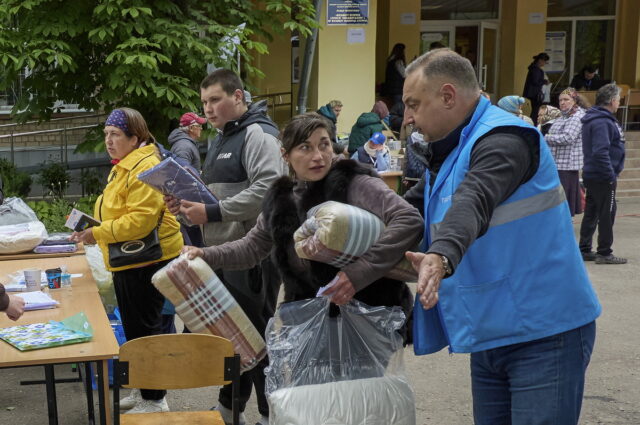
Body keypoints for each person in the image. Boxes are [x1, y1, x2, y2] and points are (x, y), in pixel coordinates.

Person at [402, 49, 600, 424]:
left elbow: (474, 198)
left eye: (414, 104)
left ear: (448, 96)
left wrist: (441, 255)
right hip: (494, 330)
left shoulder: (505, 138)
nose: (408, 117)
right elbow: (404, 214)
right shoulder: (451, 151)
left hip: (545, 332)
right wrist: (340, 229)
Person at [182, 111, 422, 341]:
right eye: (305, 147)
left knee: (356, 385)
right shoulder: (281, 198)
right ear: (285, 155)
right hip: (305, 319)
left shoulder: (354, 182)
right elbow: (252, 247)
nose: (318, 156)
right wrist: (203, 254)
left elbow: (408, 220)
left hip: (368, 316)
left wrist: (359, 273)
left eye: (324, 144)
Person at [164, 69, 285, 425]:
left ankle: (270, 414)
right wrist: (186, 208)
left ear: (238, 96)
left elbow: (269, 188)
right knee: (232, 339)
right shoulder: (220, 137)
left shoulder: (258, 134)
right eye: (204, 102)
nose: (208, 109)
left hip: (253, 255)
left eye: (215, 99)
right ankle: (231, 409)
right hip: (222, 253)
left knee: (255, 340)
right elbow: (216, 197)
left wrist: (211, 210)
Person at [70, 108, 183, 414]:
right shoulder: (126, 164)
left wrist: (99, 233)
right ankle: (144, 390)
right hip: (130, 259)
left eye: (115, 134)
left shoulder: (146, 167)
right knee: (136, 331)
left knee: (146, 332)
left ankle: (155, 400)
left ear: (135, 137)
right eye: (106, 134)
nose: (108, 140)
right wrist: (95, 227)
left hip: (146, 260)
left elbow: (140, 223)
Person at [579, 83, 627, 264]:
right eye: (618, 100)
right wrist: (610, 174)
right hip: (602, 175)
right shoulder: (602, 121)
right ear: (612, 100)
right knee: (607, 212)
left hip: (594, 173)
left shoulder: (598, 119)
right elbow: (601, 151)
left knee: (592, 211)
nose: (619, 103)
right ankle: (604, 252)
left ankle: (585, 249)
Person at [544, 87, 588, 217]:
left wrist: (545, 137)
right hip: (557, 163)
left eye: (566, 100)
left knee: (564, 201)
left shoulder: (577, 116)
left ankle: (565, 224)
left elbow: (568, 137)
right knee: (558, 199)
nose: (562, 103)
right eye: (560, 100)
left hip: (567, 165)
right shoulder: (563, 116)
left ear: (574, 101)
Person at [522, 52, 549, 125]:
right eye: (544, 61)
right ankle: (532, 123)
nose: (544, 63)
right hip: (535, 93)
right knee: (536, 110)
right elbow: (535, 81)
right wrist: (544, 81)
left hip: (532, 93)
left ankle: (532, 123)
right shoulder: (536, 70)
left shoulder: (533, 68)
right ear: (540, 60)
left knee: (535, 109)